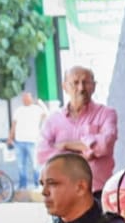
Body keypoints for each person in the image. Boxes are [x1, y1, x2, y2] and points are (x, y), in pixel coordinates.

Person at [38, 66, 118, 196]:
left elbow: (105, 144)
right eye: (75, 83)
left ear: (94, 86)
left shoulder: (106, 114)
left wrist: (65, 145)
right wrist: (86, 150)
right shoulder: (53, 120)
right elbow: (42, 155)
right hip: (63, 195)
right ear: (64, 87)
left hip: (97, 192)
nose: (81, 88)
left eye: (85, 82)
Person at [7, 91, 48, 191]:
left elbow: (47, 114)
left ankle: (38, 184)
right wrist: (10, 138)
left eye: (27, 97)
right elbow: (14, 126)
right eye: (23, 97)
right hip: (19, 142)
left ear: (31, 99)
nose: (25, 99)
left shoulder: (37, 109)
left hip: (32, 141)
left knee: (35, 165)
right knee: (21, 165)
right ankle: (22, 185)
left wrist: (40, 103)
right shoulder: (18, 110)